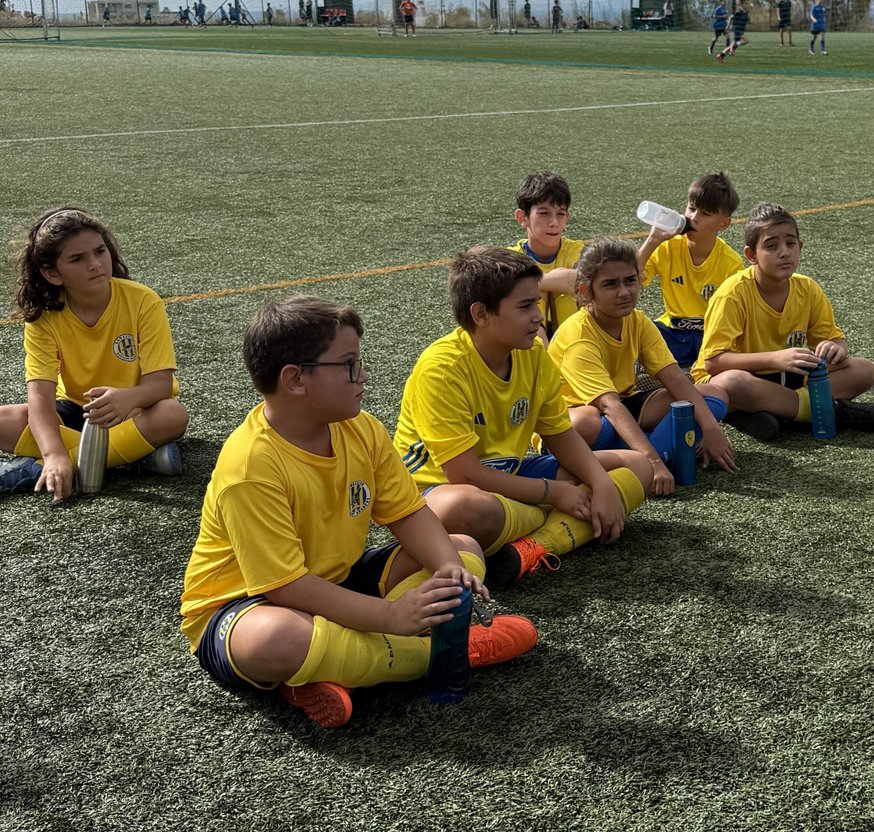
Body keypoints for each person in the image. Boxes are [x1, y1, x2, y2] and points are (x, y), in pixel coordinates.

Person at [178, 295, 539, 729]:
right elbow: (287, 587)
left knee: (459, 549)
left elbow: (408, 514)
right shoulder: (250, 466)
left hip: (337, 580)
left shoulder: (361, 428)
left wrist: (448, 569)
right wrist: (391, 617)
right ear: (295, 379)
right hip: (245, 606)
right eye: (349, 364)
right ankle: (446, 651)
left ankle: (327, 671)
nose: (362, 376)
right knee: (278, 640)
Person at [392, 246, 648, 589]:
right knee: (462, 508)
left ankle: (532, 548)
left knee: (637, 467)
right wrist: (554, 494)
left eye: (537, 304)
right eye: (526, 306)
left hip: (510, 478)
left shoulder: (533, 354)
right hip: (440, 490)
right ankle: (556, 525)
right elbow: (463, 473)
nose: (538, 317)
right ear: (481, 314)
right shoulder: (441, 369)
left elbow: (559, 434)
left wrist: (600, 484)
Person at [1, 208, 188, 499]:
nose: (95, 264)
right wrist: (52, 453)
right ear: (52, 273)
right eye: (77, 259)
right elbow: (40, 398)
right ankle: (137, 455)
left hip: (135, 409)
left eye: (100, 251)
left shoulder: (143, 301)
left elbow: (161, 384)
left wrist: (128, 397)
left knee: (172, 415)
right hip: (76, 409)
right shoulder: (42, 318)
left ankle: (38, 470)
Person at [550, 239, 736, 496]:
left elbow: (674, 378)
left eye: (630, 280)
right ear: (585, 291)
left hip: (627, 405)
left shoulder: (638, 320)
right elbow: (608, 405)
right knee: (583, 422)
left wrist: (711, 428)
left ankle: (637, 455)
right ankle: (659, 453)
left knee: (713, 394)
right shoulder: (578, 335)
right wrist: (653, 462)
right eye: (610, 284)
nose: (624, 291)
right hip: (585, 416)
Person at [694, 203, 874, 439]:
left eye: (790, 243)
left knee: (863, 370)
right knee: (733, 383)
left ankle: (773, 411)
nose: (784, 252)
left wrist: (835, 349)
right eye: (771, 246)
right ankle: (831, 412)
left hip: (791, 377)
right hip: (742, 376)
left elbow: (836, 341)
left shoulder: (807, 288)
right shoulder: (733, 294)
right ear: (751, 255)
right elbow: (714, 363)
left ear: (800, 247)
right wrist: (776, 358)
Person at [637, 171, 744, 369]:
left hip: (710, 336)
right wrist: (652, 240)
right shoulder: (667, 247)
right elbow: (629, 279)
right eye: (691, 208)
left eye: (705, 214)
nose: (693, 218)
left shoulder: (731, 263)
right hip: (673, 331)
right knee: (635, 327)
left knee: (730, 352)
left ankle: (684, 376)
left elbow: (734, 319)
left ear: (724, 224)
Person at [508, 171, 584, 339]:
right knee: (532, 297)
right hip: (531, 336)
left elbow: (584, 280)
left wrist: (528, 282)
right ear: (522, 217)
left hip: (569, 333)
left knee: (567, 294)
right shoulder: (513, 257)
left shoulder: (575, 250)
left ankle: (569, 350)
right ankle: (542, 358)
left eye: (560, 214)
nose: (554, 223)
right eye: (544, 213)